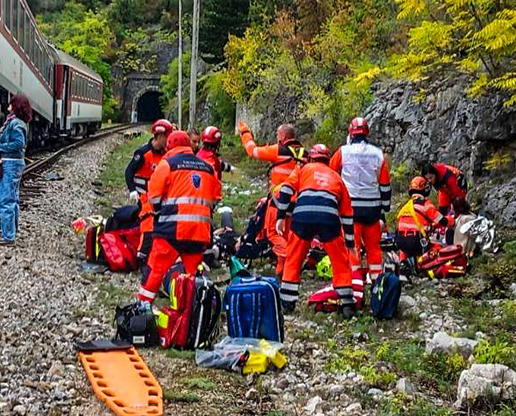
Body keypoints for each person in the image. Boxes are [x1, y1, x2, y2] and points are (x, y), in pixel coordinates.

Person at [134, 130, 222, 308]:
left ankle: (142, 308)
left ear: (170, 146)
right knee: (190, 278)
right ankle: (188, 314)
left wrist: (161, 213)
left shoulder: (167, 164)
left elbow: (154, 197)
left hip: (171, 231)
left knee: (155, 271)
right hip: (199, 234)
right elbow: (215, 198)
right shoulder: (208, 167)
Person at [275, 144, 356, 314]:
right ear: (328, 161)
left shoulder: (303, 169)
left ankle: (287, 302)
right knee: (339, 259)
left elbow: (285, 189)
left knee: (294, 257)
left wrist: (281, 217)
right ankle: (347, 301)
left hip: (302, 216)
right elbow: (348, 214)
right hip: (329, 218)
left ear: (311, 157)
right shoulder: (336, 177)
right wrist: (350, 243)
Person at [330, 116, 390, 298]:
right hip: (372, 208)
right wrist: (385, 209)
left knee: (352, 246)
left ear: (351, 133)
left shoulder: (343, 152)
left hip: (351, 208)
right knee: (374, 249)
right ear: (366, 132)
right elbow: (385, 184)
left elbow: (331, 173)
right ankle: (377, 286)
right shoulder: (378, 154)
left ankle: (356, 285)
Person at [237, 120, 307, 272]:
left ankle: (290, 260)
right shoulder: (305, 153)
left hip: (278, 200)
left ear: (282, 136)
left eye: (277, 135)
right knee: (287, 235)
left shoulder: (279, 149)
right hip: (297, 201)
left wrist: (245, 133)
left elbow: (252, 151)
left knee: (274, 234)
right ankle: (282, 271)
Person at [127, 119, 174, 266]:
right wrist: (132, 191)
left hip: (160, 197)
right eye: (167, 136)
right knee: (148, 223)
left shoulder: (167, 155)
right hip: (144, 196)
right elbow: (129, 171)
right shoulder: (143, 153)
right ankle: (142, 256)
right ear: (159, 136)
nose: (168, 140)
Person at [0, 94, 32, 244]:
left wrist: (0, 147)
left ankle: (8, 236)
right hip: (15, 163)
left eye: (11, 103)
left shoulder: (15, 123)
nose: (8, 105)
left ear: (16, 106)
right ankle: (11, 232)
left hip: (10, 163)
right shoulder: (19, 122)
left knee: (5, 200)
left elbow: (19, 143)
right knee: (13, 199)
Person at [396, 176, 450, 259]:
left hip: (401, 241)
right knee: (437, 247)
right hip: (416, 241)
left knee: (405, 252)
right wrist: (452, 220)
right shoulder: (425, 205)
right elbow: (442, 220)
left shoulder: (406, 207)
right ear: (425, 189)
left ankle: (403, 266)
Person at [420, 160, 468, 243]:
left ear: (435, 174)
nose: (430, 180)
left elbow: (456, 191)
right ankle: (441, 226)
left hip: (457, 183)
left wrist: (456, 204)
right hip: (443, 188)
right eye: (428, 179)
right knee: (442, 210)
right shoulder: (434, 180)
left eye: (431, 178)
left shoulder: (446, 174)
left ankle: (461, 223)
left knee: (458, 203)